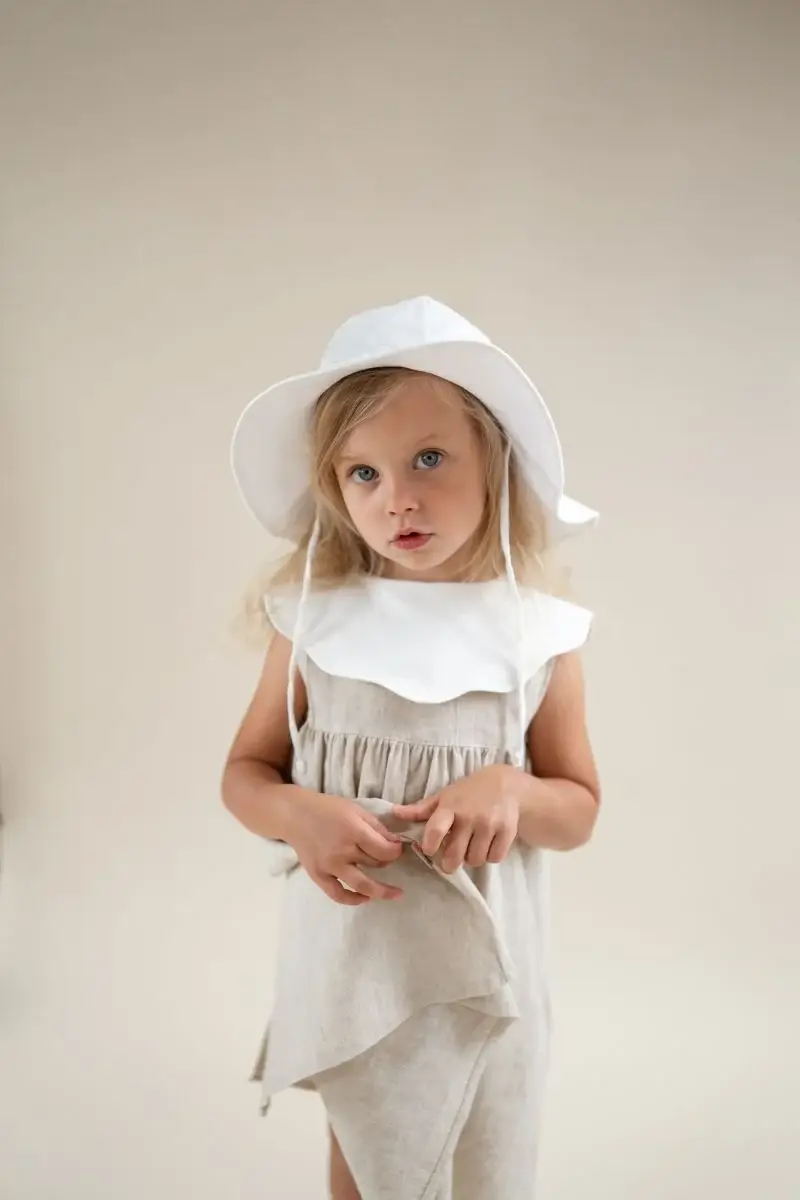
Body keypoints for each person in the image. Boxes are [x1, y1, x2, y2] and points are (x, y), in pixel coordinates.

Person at [222, 295, 602, 1200]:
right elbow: (245, 775)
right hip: (355, 966)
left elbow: (578, 809)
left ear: (493, 459)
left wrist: (513, 790)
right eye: (364, 473)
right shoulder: (314, 625)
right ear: (335, 488)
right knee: (370, 1158)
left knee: (485, 1162)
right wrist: (297, 813)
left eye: (429, 458)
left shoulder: (538, 637)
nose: (397, 498)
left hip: (488, 981)